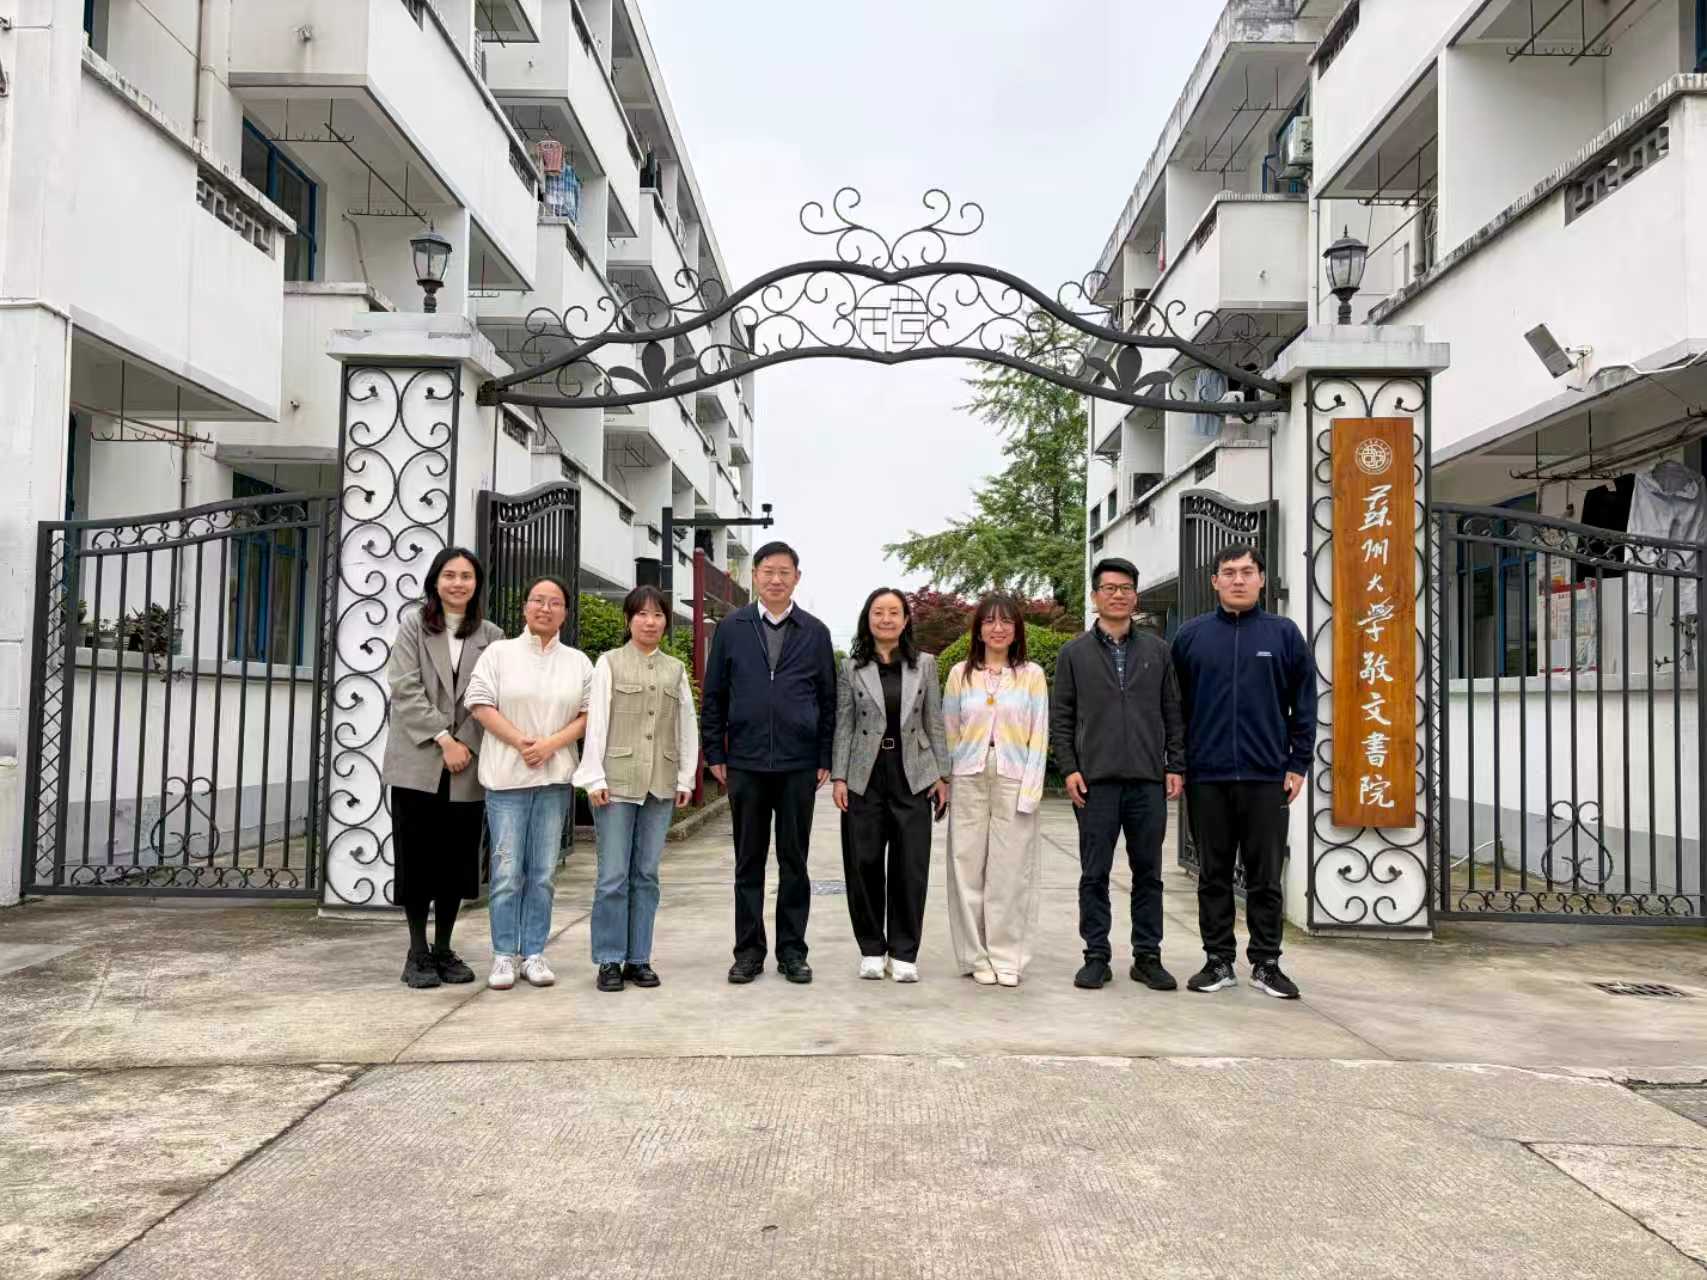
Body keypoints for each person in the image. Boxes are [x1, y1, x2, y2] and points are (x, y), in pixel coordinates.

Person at [1170, 544, 1315, 1000]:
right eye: (1229, 572)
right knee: (1212, 874)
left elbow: (1304, 704)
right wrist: (1178, 763)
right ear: (1214, 581)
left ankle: (1266, 963)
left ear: (1261, 579)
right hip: (1207, 776)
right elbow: (1174, 709)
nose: (1238, 579)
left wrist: (1298, 763)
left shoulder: (1283, 634)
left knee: (1265, 877)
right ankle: (1218, 960)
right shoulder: (1190, 637)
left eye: (1247, 572)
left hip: (1266, 776)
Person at [701, 540, 836, 985]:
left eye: (785, 572)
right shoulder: (732, 628)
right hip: (746, 762)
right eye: (768, 571)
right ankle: (748, 952)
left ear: (797, 578)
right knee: (749, 863)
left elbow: (828, 700)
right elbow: (715, 696)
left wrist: (823, 756)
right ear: (754, 576)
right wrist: (715, 753)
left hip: (799, 765)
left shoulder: (815, 632)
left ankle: (793, 952)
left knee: (795, 862)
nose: (776, 579)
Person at [1050, 557, 1185, 992]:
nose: (1118, 595)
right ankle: (1096, 956)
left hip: (1147, 780)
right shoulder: (1073, 654)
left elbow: (1172, 711)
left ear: (1136, 596)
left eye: (1126, 588)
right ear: (1095, 596)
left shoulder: (1158, 651)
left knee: (1149, 873)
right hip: (1095, 782)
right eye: (1109, 588)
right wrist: (1069, 769)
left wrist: (1175, 764)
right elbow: (1062, 717)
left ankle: (1148, 956)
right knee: (1094, 874)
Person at [381, 546, 505, 989]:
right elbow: (404, 686)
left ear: (477, 584)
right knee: (416, 858)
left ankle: (444, 948)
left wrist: (464, 742)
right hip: (418, 761)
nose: (458, 583)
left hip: (465, 765)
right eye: (449, 575)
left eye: (466, 576)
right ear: (435, 581)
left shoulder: (492, 635)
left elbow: (493, 695)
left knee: (456, 860)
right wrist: (443, 738)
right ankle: (417, 952)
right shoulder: (414, 625)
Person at [464, 575, 592, 991]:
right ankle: (504, 954)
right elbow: (479, 703)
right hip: (506, 781)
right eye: (538, 600)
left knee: (542, 873)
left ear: (565, 613)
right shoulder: (499, 653)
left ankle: (534, 952)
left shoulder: (577, 662)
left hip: (553, 781)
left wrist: (550, 745)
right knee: (506, 873)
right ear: (524, 607)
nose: (545, 608)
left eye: (555, 602)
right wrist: (521, 742)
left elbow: (589, 714)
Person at [572, 586, 697, 993]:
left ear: (666, 622)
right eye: (641, 614)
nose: (650, 622)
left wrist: (685, 777)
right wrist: (594, 777)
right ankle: (609, 959)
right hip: (616, 782)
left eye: (657, 615)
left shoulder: (675, 669)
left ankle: (639, 958)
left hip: (660, 783)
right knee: (612, 875)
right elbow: (597, 723)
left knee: (646, 875)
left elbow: (686, 726)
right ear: (628, 620)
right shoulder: (608, 663)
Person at [830, 588, 950, 982]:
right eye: (878, 612)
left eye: (894, 612)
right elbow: (844, 724)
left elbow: (934, 721)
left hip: (913, 772)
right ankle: (871, 948)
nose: (886, 619)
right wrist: (840, 776)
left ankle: (903, 952)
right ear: (868, 619)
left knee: (910, 864)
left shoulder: (925, 665)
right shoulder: (851, 668)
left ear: (905, 620)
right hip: (864, 773)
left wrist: (942, 774)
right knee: (863, 862)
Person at [941, 593, 1050, 987]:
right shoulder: (960, 674)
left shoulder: (1031, 675)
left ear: (1017, 630)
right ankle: (975, 956)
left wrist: (1031, 789)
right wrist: (947, 780)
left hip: (1013, 776)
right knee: (966, 867)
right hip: (968, 776)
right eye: (989, 621)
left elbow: (1040, 734)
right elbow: (949, 730)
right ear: (978, 630)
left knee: (1010, 871)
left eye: (1006, 622)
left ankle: (1006, 956)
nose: (998, 628)